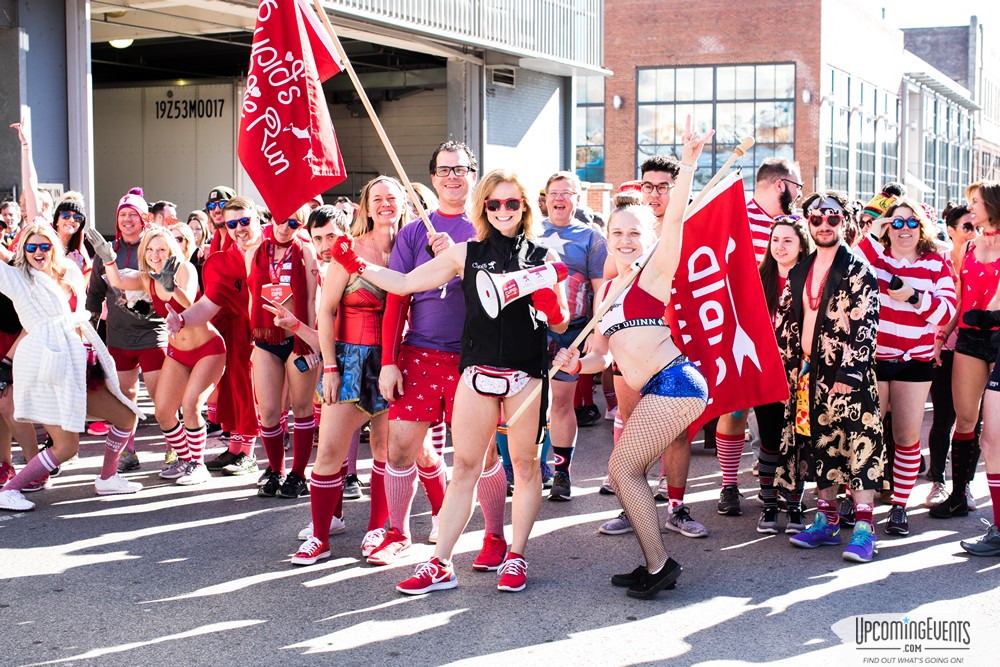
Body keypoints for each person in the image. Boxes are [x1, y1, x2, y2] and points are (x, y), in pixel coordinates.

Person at [319, 169, 569, 595]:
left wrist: (549, 302)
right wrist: (355, 264)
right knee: (466, 468)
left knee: (524, 468)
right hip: (476, 371)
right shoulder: (463, 253)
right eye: (494, 203)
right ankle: (441, 563)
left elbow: (561, 319)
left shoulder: (542, 256)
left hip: (525, 373)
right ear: (483, 208)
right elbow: (405, 283)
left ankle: (515, 556)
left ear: (524, 207)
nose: (503, 210)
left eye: (512, 203)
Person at [554, 119, 712, 598]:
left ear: (649, 238)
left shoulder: (654, 274)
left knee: (623, 472)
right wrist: (574, 363)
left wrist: (688, 162)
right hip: (653, 388)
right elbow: (602, 356)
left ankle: (660, 564)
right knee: (626, 474)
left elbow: (678, 216)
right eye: (617, 232)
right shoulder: (610, 293)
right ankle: (654, 562)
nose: (625, 240)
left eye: (635, 233)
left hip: (677, 382)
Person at [366, 142, 480, 566]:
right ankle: (398, 532)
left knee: (479, 456)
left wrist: (455, 257)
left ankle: (490, 538)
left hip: (475, 357)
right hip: (421, 354)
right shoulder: (414, 232)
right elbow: (397, 297)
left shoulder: (489, 228)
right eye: (444, 170)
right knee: (400, 450)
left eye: (461, 169)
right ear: (433, 178)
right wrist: (389, 360)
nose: (453, 177)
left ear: (473, 174)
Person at [290, 176, 408, 566]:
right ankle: (320, 536)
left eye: (392, 197)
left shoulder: (415, 249)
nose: (386, 204)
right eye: (378, 198)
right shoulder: (348, 249)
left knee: (385, 451)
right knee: (329, 453)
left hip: (398, 359)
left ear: (403, 202)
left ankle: (378, 528)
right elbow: (326, 311)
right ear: (365, 206)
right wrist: (331, 367)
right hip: (350, 360)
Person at [0, 224, 145, 511]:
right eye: (31, 247)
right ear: (23, 250)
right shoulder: (18, 279)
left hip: (79, 360)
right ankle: (9, 490)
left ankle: (108, 477)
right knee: (66, 447)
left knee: (126, 416)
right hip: (45, 364)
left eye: (44, 246)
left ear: (54, 247)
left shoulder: (71, 270)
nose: (38, 252)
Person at [775, 191, 884, 563]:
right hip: (808, 375)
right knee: (819, 446)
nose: (824, 225)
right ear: (809, 223)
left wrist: (849, 372)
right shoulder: (800, 270)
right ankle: (827, 521)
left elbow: (866, 323)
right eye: (817, 219)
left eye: (832, 218)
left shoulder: (857, 268)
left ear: (845, 222)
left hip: (847, 376)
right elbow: (787, 322)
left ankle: (866, 531)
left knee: (859, 447)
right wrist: (787, 368)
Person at [91, 226, 225, 486]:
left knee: (191, 405)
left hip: (207, 349)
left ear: (171, 251)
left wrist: (171, 286)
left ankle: (198, 465)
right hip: (178, 353)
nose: (155, 254)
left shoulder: (185, 268)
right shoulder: (145, 277)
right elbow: (117, 281)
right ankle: (185, 460)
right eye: (151, 249)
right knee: (163, 411)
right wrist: (108, 259)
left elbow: (192, 305)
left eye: (161, 249)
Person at [854, 199, 956, 536]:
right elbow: (851, 262)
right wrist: (875, 229)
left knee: (906, 437)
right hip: (876, 360)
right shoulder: (877, 260)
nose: (904, 230)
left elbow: (945, 314)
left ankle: (899, 505)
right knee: (866, 433)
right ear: (886, 229)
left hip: (915, 362)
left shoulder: (937, 265)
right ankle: (856, 500)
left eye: (912, 223)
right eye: (896, 224)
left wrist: (912, 296)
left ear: (922, 227)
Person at [165, 196, 262, 477]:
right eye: (232, 224)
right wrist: (182, 319)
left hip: (265, 334)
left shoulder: (271, 252)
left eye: (245, 221)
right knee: (233, 390)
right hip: (232, 332)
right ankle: (236, 448)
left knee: (250, 392)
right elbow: (209, 305)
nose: (239, 228)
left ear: (256, 218)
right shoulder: (225, 259)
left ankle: (250, 454)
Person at [87, 187, 168, 473]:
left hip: (152, 333)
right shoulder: (106, 252)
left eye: (133, 214)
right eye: (122, 215)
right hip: (118, 336)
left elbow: (167, 288)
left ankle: (174, 452)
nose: (127, 220)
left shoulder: (154, 248)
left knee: (163, 399)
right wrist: (91, 333)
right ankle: (128, 452)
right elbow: (94, 295)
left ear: (144, 217)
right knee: (125, 398)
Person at [538, 171, 607, 500]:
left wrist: (595, 331)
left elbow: (601, 290)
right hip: (532, 330)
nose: (559, 198)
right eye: (554, 192)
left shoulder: (592, 238)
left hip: (573, 333)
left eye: (567, 192)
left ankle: (562, 472)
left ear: (578, 199)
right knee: (529, 403)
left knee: (562, 404)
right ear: (545, 197)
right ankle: (532, 467)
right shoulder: (530, 232)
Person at [250, 204, 321, 498]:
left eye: (294, 223)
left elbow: (313, 298)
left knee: (302, 408)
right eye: (282, 219)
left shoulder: (305, 251)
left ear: (301, 226)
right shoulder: (256, 250)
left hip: (298, 338)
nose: (285, 226)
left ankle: (298, 474)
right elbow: (253, 296)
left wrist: (311, 341)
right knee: (268, 410)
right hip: (266, 337)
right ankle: (276, 471)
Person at [754, 216, 813, 534]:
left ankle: (795, 506)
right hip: (766, 371)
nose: (780, 246)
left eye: (788, 240)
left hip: (802, 374)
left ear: (802, 243)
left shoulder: (812, 278)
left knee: (799, 441)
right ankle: (768, 506)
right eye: (775, 240)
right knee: (770, 440)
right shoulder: (758, 278)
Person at [954, 180, 1000, 556]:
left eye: (976, 202)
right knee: (965, 419)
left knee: (995, 438)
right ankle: (958, 492)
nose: (971, 209)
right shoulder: (968, 245)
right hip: (968, 336)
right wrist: (946, 334)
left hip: (998, 337)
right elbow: (958, 295)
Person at [926, 204, 980, 507]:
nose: (973, 232)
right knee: (944, 416)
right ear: (951, 230)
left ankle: (965, 484)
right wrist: (938, 338)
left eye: (976, 226)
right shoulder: (939, 261)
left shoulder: (982, 257)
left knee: (973, 420)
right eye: (966, 227)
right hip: (943, 346)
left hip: (975, 346)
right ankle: (937, 481)